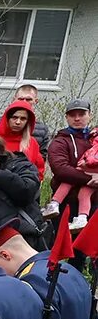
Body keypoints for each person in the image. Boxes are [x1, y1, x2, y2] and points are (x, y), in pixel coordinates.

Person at [50, 98, 96, 230]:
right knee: (65, 248)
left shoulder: (95, 140)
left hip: (94, 203)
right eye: (72, 115)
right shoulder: (60, 141)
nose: (77, 118)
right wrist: (91, 179)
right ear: (66, 117)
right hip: (68, 205)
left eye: (81, 114)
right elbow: (61, 170)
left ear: (89, 115)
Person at [0, 84, 51, 153]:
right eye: (20, 99)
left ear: (35, 101)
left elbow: (42, 155)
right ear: (14, 99)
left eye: (28, 99)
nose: (24, 102)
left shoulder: (42, 129)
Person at [0, 100, 47, 180]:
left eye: (23, 119)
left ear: (27, 121)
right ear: (7, 118)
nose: (18, 122)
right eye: (14, 117)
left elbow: (39, 170)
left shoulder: (31, 143)